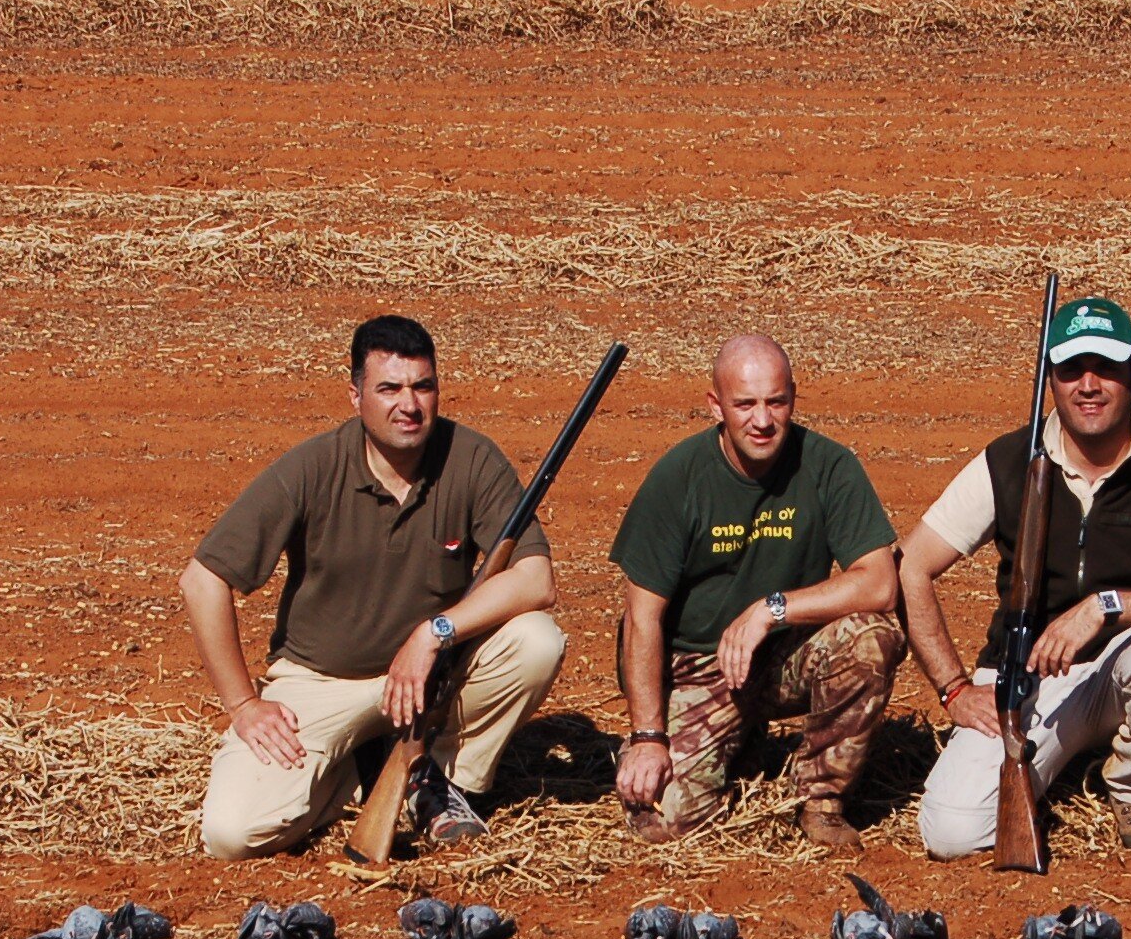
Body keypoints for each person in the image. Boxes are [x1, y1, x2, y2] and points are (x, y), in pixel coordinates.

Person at [182, 315, 567, 858]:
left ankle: (439, 781)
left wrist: (433, 634)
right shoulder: (312, 467)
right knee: (232, 835)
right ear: (355, 394)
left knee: (537, 641)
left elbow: (536, 579)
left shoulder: (473, 458)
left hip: (430, 677)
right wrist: (244, 703)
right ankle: (365, 768)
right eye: (388, 388)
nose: (408, 404)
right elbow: (203, 580)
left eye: (422, 386)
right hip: (319, 682)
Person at [900, 296, 1131, 856]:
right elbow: (912, 565)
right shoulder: (1007, 462)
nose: (1089, 384)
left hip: (1123, 673)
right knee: (952, 833)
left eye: (1106, 367)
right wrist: (955, 688)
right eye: (1071, 368)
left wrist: (1105, 606)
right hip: (1026, 684)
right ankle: (1045, 766)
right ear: (1050, 379)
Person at [609, 335, 905, 851]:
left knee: (871, 637)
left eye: (776, 401)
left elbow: (879, 581)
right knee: (669, 825)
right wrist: (648, 737)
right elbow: (640, 620)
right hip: (697, 666)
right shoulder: (678, 478)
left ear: (794, 397)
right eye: (745, 404)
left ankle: (821, 802)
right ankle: (713, 743)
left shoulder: (829, 465)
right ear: (715, 405)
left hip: (782, 653)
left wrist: (772, 610)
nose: (762, 420)